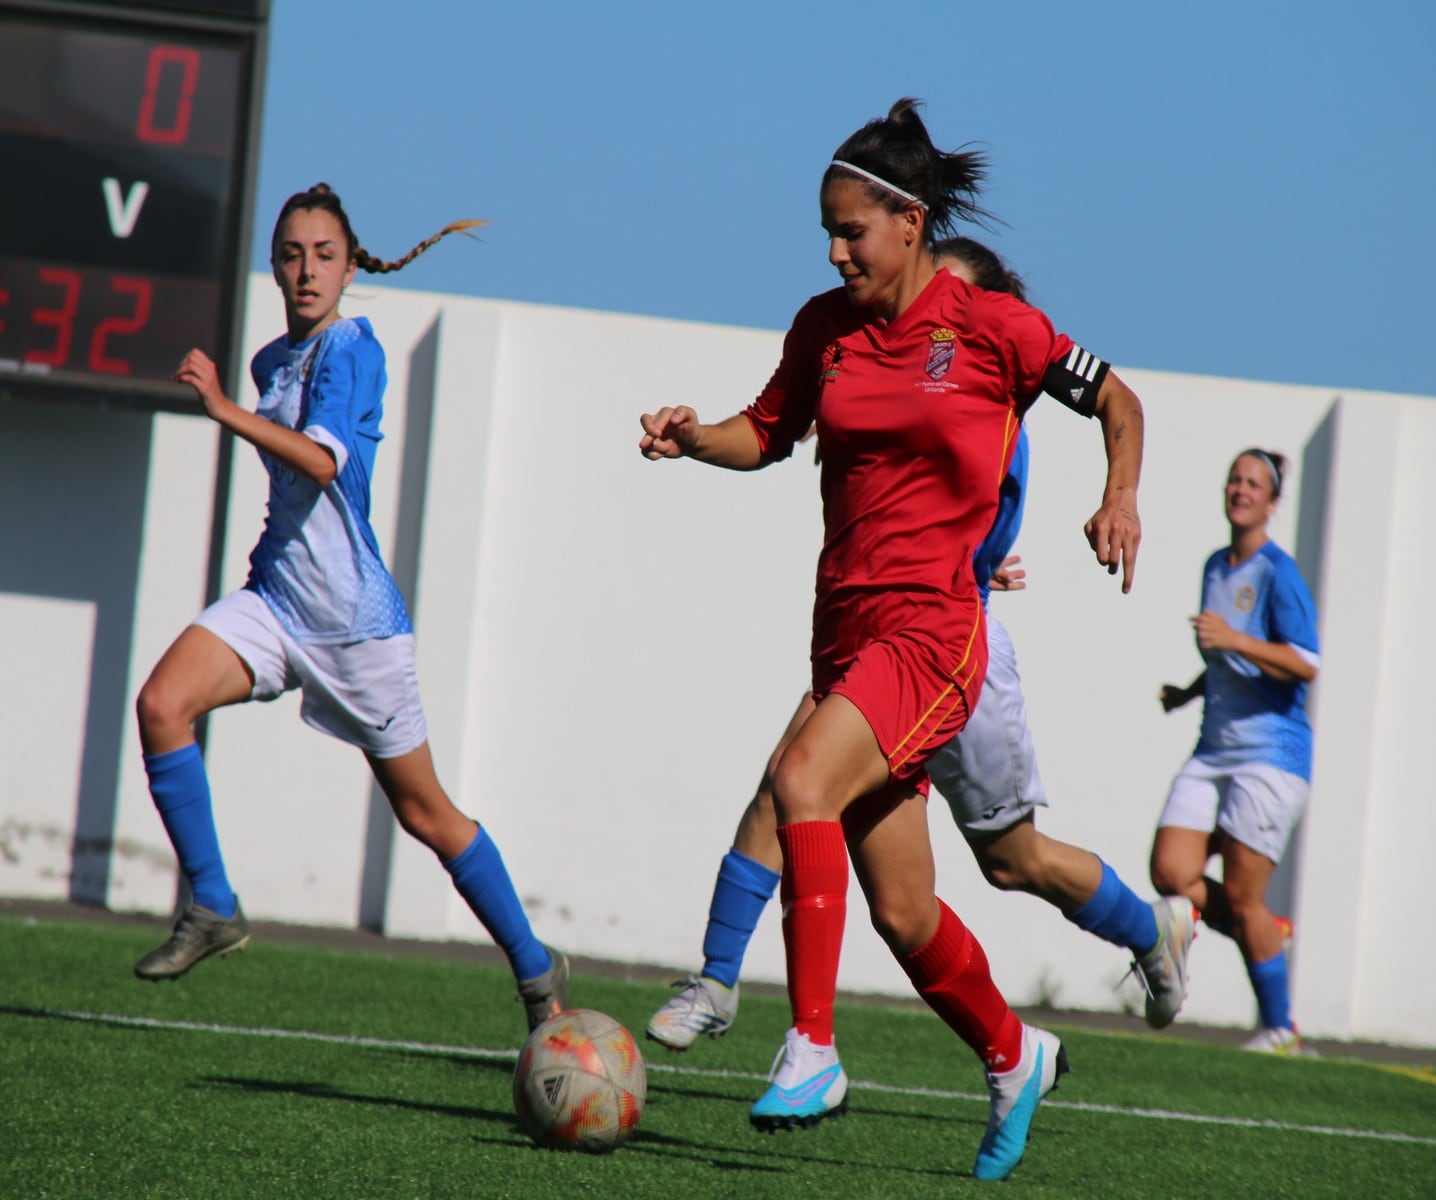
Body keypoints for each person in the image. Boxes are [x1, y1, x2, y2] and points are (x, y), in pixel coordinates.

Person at [638, 100, 1146, 1182]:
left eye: (850, 230)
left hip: (934, 632)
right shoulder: (823, 327)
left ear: (908, 223)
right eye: (824, 231)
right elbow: (765, 434)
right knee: (906, 916)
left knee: (797, 780)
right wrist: (693, 441)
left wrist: (1120, 498)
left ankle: (811, 1045)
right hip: (845, 630)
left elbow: (1115, 399)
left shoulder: (996, 329)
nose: (833, 250)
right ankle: (1016, 1056)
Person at [133, 184, 566, 1033]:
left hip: (354, 624)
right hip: (276, 602)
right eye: (290, 254)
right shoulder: (269, 362)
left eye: (323, 255)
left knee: (427, 815)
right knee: (161, 705)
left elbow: (325, 465)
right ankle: (212, 905)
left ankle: (534, 969)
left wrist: (222, 412)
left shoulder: (353, 349)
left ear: (349, 265)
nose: (305, 270)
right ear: (274, 266)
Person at [1149, 449, 1320, 1055]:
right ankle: (1268, 933)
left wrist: (1235, 637)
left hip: (1269, 756)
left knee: (1242, 896)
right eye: (1235, 479)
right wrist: (1188, 690)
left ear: (1272, 503)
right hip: (1213, 748)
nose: (1240, 489)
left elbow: (1306, 663)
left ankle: (1281, 1030)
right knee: (1171, 873)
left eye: (1254, 483)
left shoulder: (1279, 573)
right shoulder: (1214, 567)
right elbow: (1226, 657)